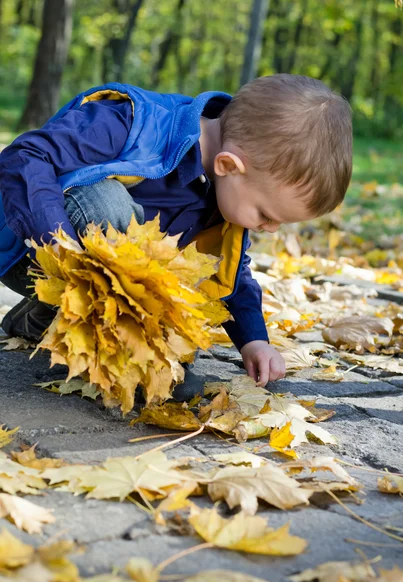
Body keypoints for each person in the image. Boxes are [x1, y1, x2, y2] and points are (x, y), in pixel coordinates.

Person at [0, 74, 352, 400]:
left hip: (112, 283)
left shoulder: (232, 191)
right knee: (104, 203)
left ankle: (46, 317)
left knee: (191, 287)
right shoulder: (130, 122)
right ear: (229, 165)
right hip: (34, 249)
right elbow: (27, 156)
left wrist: (254, 340)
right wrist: (60, 247)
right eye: (266, 215)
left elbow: (230, 270)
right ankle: (129, 357)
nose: (269, 229)